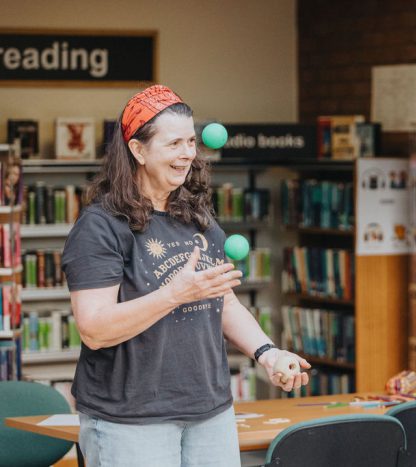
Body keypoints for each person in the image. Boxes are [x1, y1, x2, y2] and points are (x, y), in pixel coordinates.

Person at [62, 84, 310, 467]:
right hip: (131, 419)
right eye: (174, 143)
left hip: (210, 411)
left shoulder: (198, 218)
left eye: (192, 141)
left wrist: (268, 353)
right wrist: (174, 294)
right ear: (138, 149)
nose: (187, 154)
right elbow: (94, 329)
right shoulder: (100, 226)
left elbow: (223, 301)